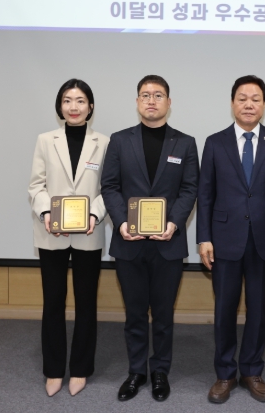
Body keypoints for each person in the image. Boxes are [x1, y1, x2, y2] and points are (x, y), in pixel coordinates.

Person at [197, 75, 265, 404]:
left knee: (258, 309)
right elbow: (205, 195)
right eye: (242, 98)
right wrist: (203, 237)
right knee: (224, 309)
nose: (249, 104)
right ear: (232, 103)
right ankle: (225, 373)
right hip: (224, 239)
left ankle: (252, 371)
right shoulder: (215, 143)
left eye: (255, 99)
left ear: (264, 105)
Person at [100, 74, 199, 402]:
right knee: (134, 313)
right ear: (137, 102)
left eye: (158, 95)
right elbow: (109, 186)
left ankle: (160, 371)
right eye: (145, 95)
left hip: (168, 243)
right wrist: (121, 222)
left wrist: (174, 223)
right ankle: (136, 372)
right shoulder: (119, 140)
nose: (151, 100)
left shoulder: (185, 143)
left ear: (169, 102)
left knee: (164, 314)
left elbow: (190, 189)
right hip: (128, 242)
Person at [27, 79, 109, 397]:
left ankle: (80, 368)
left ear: (91, 106)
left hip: (89, 232)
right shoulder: (45, 140)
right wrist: (47, 213)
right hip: (52, 232)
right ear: (59, 106)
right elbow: (36, 185)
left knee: (86, 303)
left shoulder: (104, 142)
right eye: (67, 100)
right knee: (53, 302)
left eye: (80, 101)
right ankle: (53, 369)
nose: (73, 107)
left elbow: (108, 188)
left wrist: (94, 215)